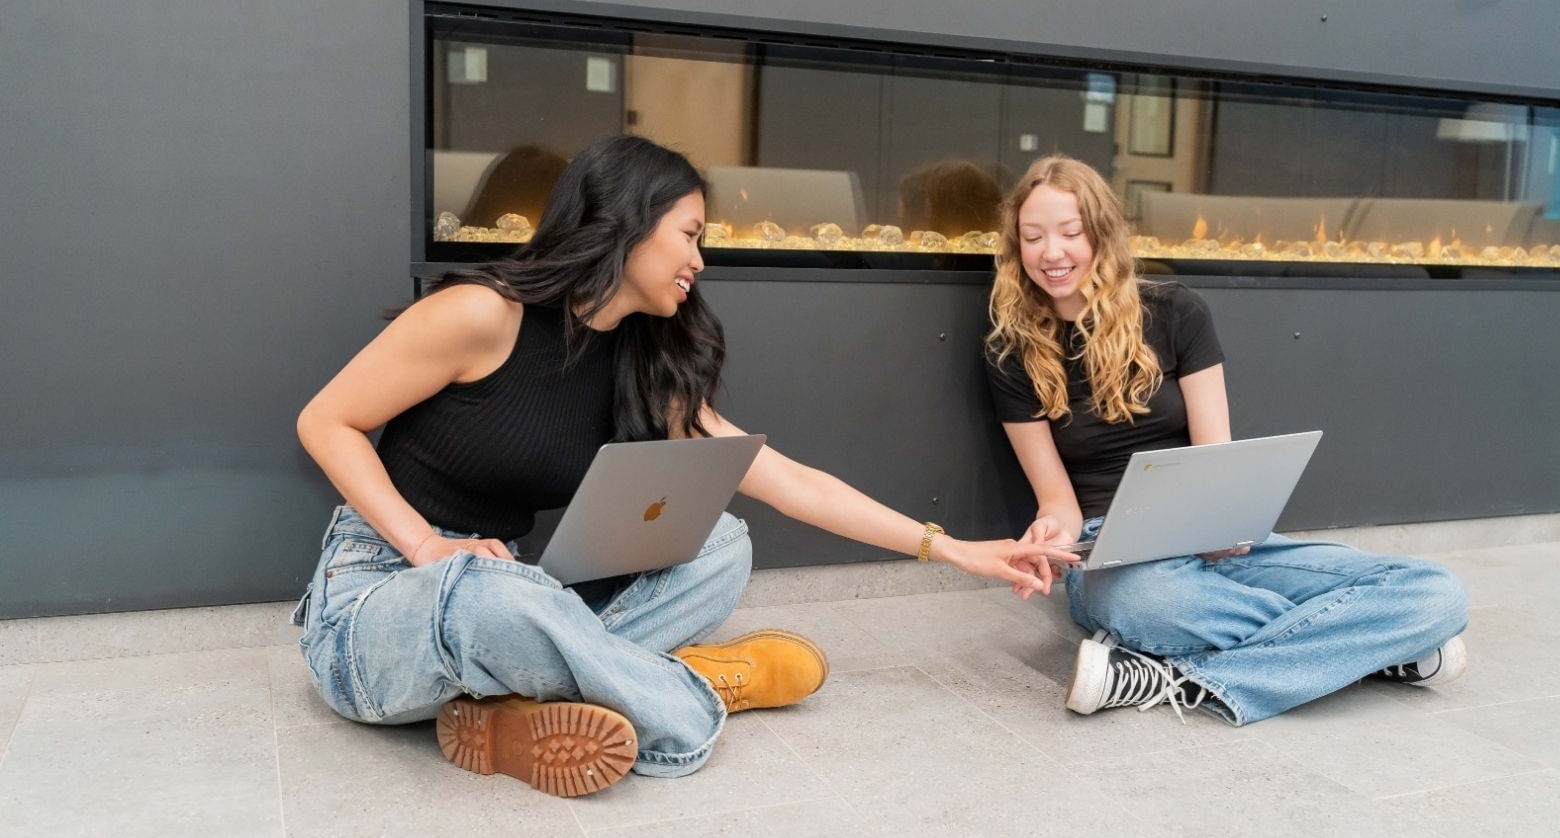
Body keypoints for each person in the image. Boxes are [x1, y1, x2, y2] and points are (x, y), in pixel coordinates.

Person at [292, 135, 1078, 798]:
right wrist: (429, 549)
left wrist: (955, 550)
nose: (700, 259)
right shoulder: (480, 314)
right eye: (691, 233)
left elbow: (791, 481)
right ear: (629, 226)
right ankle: (693, 693)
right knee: (489, 599)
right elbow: (325, 421)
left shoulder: (645, 366)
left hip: (514, 583)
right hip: (382, 591)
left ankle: (516, 710)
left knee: (720, 541)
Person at [983, 155, 1470, 726]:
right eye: (1033, 236)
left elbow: (1217, 457)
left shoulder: (1176, 312)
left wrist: (1221, 523)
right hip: (1112, 552)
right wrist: (1051, 535)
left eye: (1071, 233)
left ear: (1102, 234)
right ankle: (1370, 651)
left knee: (1437, 592)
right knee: (1146, 606)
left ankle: (1172, 678)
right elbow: (1057, 501)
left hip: (1210, 535)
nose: (1051, 253)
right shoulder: (1009, 350)